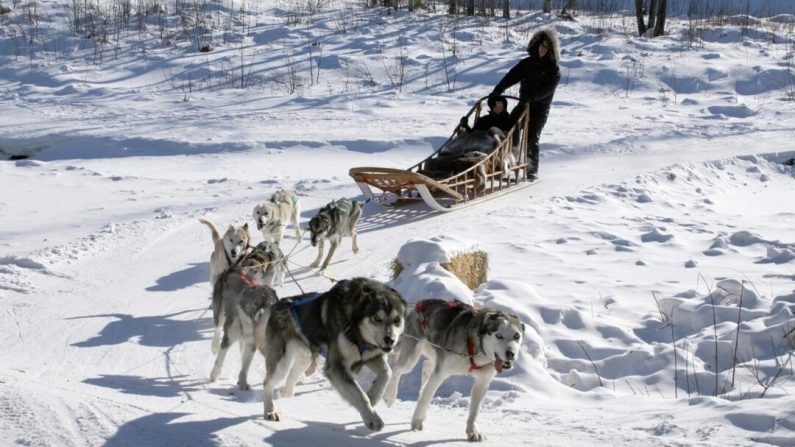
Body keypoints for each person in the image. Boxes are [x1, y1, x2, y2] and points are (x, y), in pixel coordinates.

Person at [489, 28, 560, 179]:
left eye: (546, 47)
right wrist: (498, 90)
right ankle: (508, 159)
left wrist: (531, 97)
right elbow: (511, 76)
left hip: (540, 108)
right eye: (541, 45)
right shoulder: (527, 63)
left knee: (532, 137)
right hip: (523, 104)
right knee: (509, 126)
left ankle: (531, 171)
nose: (542, 49)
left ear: (551, 50)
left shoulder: (553, 70)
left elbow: (547, 90)